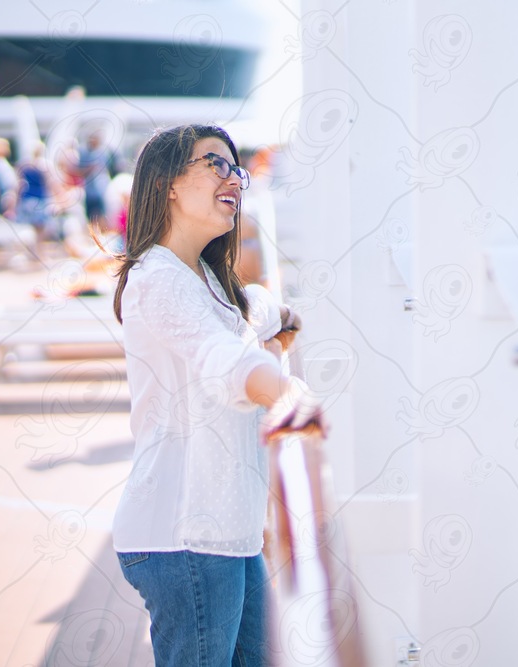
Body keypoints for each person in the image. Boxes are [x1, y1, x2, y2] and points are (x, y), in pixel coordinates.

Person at [109, 124, 321, 666]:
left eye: (237, 169)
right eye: (215, 164)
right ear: (168, 185)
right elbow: (223, 360)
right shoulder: (157, 278)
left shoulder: (207, 280)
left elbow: (260, 314)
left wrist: (280, 333)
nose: (234, 178)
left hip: (228, 532)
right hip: (184, 534)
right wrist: (289, 393)